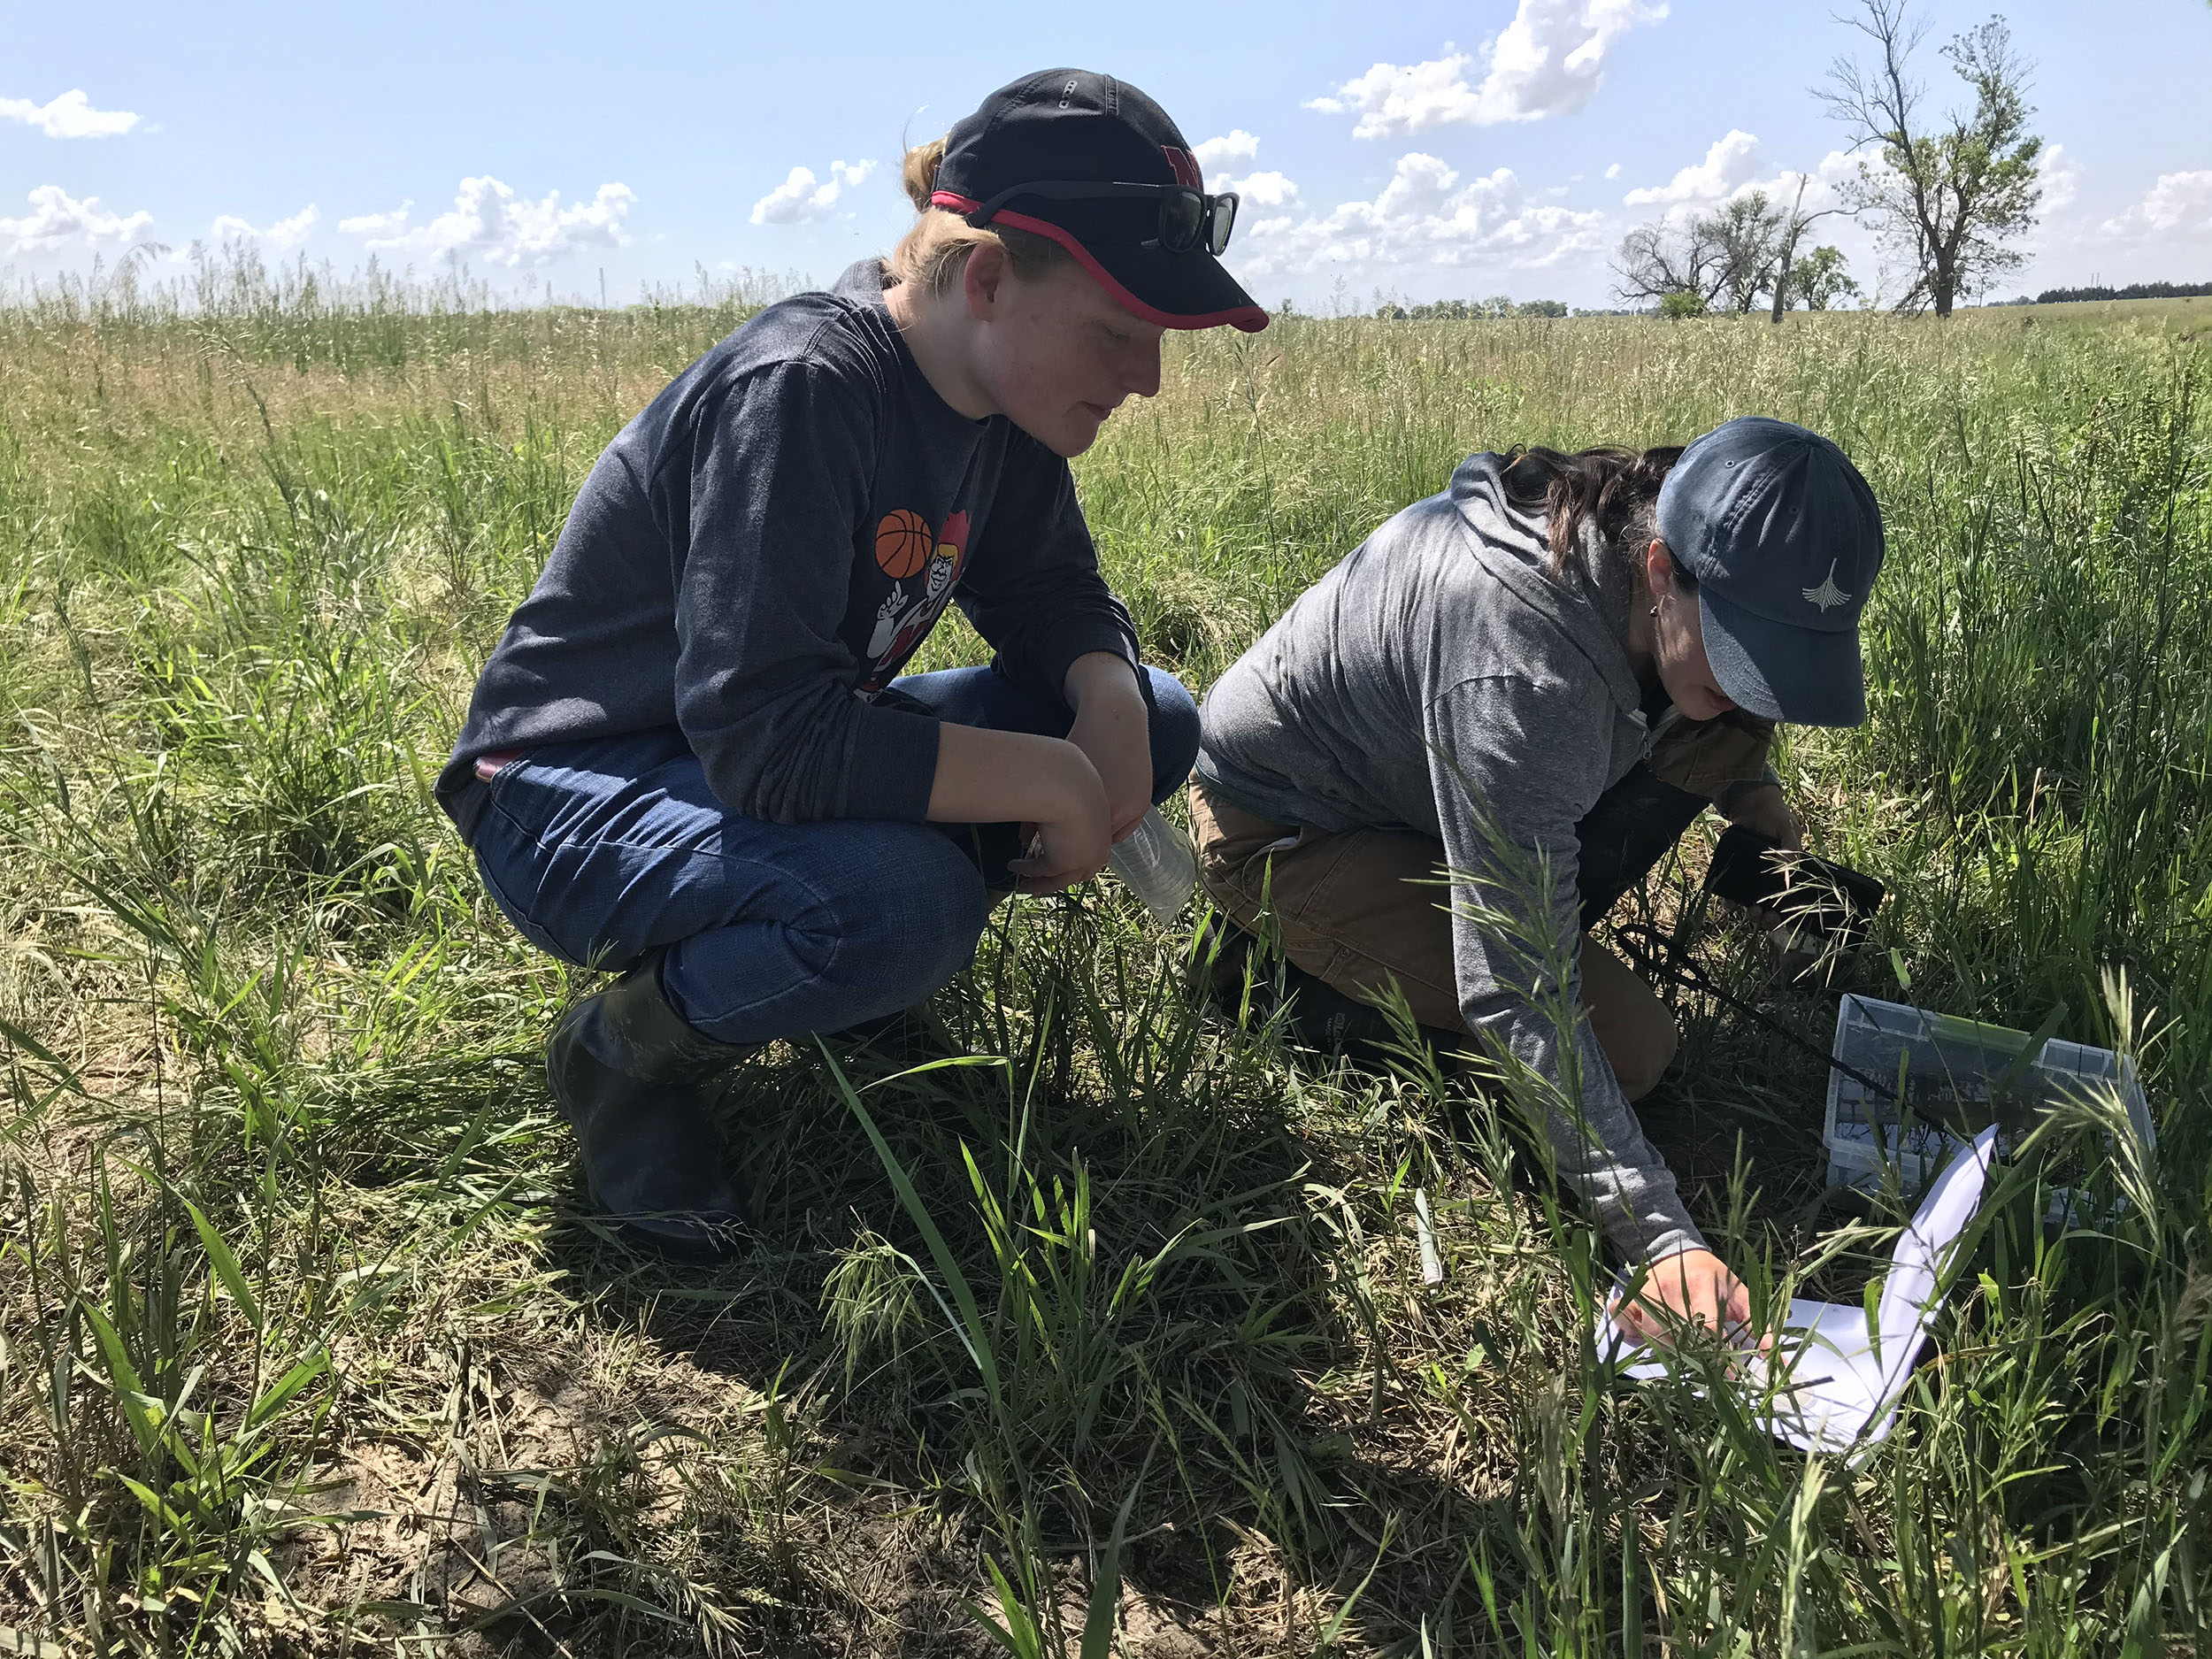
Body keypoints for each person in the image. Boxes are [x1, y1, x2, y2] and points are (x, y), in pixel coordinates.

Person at [435, 69, 1268, 1259]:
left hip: (738, 752)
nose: (1146, 377)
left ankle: (840, 970)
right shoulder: (809, 389)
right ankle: (622, 1053)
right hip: (571, 789)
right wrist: (1049, 783)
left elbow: (1052, 591)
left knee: (1156, 714)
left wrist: (1102, 684)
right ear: (985, 280)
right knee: (900, 904)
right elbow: (766, 735)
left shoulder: (998, 405)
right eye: (1118, 332)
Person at [1188, 420, 1886, 1343]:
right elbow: (1515, 988)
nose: (1762, 693)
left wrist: (1752, 799)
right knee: (1632, 1050)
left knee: (1715, 721)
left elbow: (1722, 710)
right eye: (1741, 652)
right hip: (1293, 832)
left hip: (1430, 794)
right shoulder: (1524, 672)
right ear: (1661, 569)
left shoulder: (1631, 540)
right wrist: (1660, 1237)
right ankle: (1268, 974)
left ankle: (1511, 895)